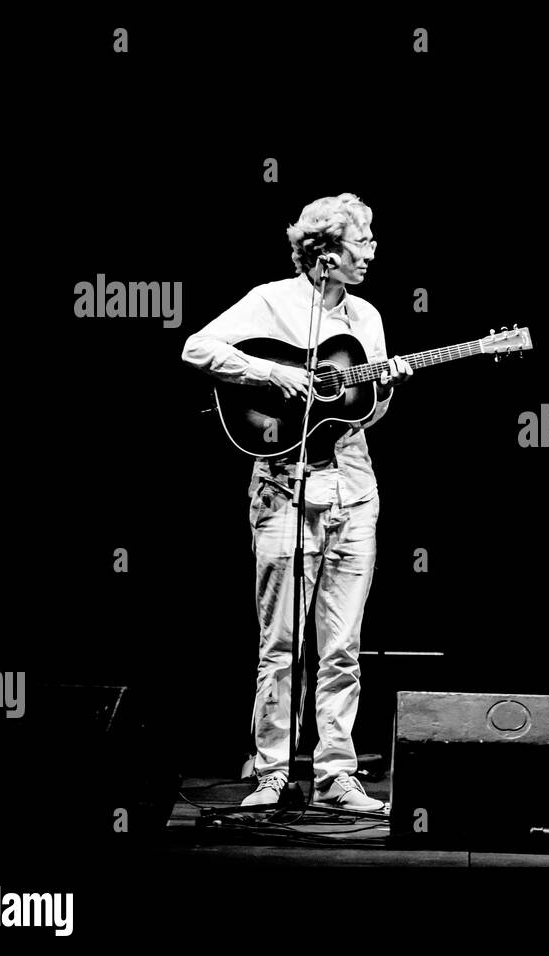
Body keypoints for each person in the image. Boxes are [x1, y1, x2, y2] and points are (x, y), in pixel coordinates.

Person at [181, 193, 412, 810]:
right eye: (361, 242)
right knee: (279, 643)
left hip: (354, 491)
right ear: (326, 255)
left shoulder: (367, 316)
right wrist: (274, 374)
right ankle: (272, 772)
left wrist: (386, 389)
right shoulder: (270, 301)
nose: (370, 252)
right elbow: (197, 349)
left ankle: (338, 773)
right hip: (284, 485)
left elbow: (364, 409)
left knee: (342, 644)